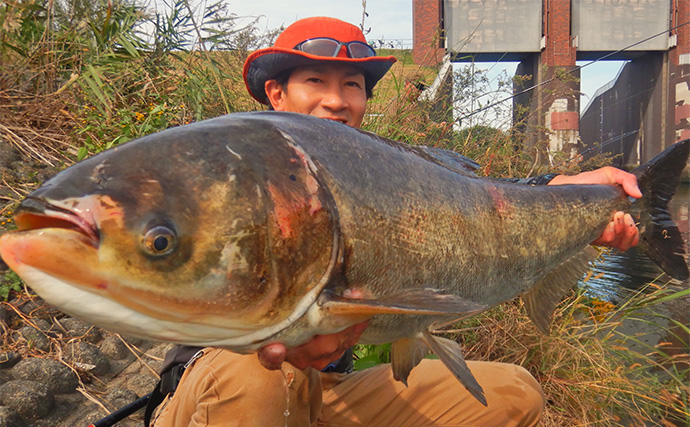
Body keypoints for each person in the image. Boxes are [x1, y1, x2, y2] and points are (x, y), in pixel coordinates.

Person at [150, 17, 639, 427]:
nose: (337, 100)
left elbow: (480, 201)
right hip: (223, 380)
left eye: (352, 85)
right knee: (259, 376)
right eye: (315, 81)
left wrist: (573, 190)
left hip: (327, 389)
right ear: (276, 93)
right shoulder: (235, 163)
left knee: (516, 393)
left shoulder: (379, 172)